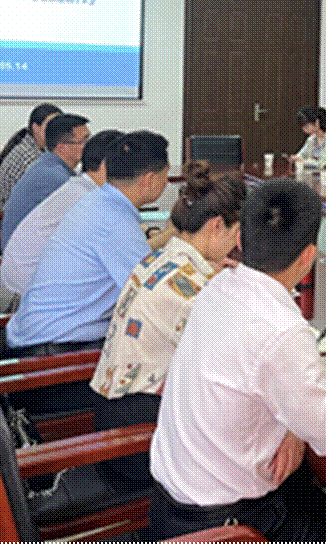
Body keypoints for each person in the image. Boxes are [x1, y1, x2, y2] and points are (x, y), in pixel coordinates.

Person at [149, 179, 326, 541]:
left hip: (172, 503)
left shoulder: (218, 286)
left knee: (314, 495)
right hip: (227, 526)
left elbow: (262, 384)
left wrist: (293, 427)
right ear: (308, 257)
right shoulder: (281, 331)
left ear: (239, 240)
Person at [90, 161, 246, 490]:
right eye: (236, 234)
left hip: (116, 413)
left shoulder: (160, 259)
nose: (237, 245)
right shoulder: (193, 294)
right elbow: (234, 366)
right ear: (217, 226)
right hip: (139, 440)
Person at [6, 131, 170, 357]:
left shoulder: (98, 202)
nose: (166, 183)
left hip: (42, 334)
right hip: (54, 352)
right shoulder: (114, 221)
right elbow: (153, 293)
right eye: (165, 176)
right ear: (149, 180)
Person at [0, 130, 124, 296]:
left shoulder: (78, 186)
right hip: (29, 293)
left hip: (23, 281)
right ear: (106, 165)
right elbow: (121, 254)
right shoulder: (85, 196)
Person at [0, 113, 90, 249]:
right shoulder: (54, 177)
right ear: (62, 147)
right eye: (84, 141)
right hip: (28, 255)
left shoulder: (47, 165)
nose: (90, 146)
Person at [0, 103, 60, 215]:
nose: (55, 131)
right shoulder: (31, 157)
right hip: (9, 218)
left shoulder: (30, 147)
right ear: (35, 128)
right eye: (50, 125)